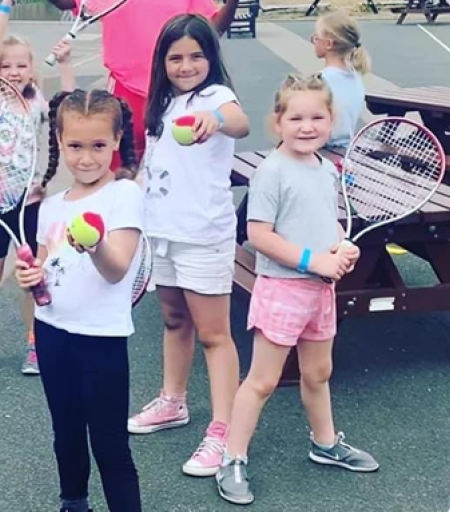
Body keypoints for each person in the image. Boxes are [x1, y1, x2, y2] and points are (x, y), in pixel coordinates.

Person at [215, 74, 379, 506]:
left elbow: (324, 223)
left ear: (331, 119)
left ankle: (325, 444)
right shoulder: (272, 171)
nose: (307, 127)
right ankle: (232, 458)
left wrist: (339, 249)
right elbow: (258, 234)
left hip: (318, 291)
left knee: (318, 373)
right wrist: (313, 260)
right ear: (278, 122)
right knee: (263, 381)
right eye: (297, 118)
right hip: (283, 290)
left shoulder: (325, 167)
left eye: (317, 117)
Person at [126, 14, 250, 478]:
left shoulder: (216, 99)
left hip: (203, 234)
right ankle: (173, 401)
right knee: (174, 320)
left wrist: (214, 119)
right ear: (162, 62)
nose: (186, 65)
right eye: (175, 57)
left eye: (196, 55)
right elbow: (153, 169)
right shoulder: (160, 105)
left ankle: (223, 430)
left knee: (215, 335)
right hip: (162, 233)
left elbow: (239, 122)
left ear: (211, 58)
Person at [15, 89, 143, 512]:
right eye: (75, 146)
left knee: (109, 445)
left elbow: (116, 268)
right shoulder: (52, 206)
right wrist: (31, 278)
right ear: (59, 139)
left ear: (117, 141)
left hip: (101, 341)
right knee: (66, 432)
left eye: (98, 146)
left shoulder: (125, 196)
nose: (86, 158)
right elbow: (48, 275)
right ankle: (74, 503)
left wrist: (95, 245)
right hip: (53, 335)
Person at [0, 0, 75, 375]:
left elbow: (72, 110)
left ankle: (35, 344)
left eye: (21, 65)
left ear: (32, 69)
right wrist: (3, 8)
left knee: (31, 276)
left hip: (29, 203)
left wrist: (65, 65)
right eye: (6, 65)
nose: (12, 71)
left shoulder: (37, 103)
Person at [45, 0, 239, 166]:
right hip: (126, 89)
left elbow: (212, 30)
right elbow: (66, 2)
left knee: (178, 163)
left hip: (177, 91)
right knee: (121, 169)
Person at [312, 9, 371, 149]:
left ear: (328, 44)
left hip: (323, 149)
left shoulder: (321, 80)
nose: (314, 41)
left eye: (316, 37)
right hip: (346, 148)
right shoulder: (355, 75)